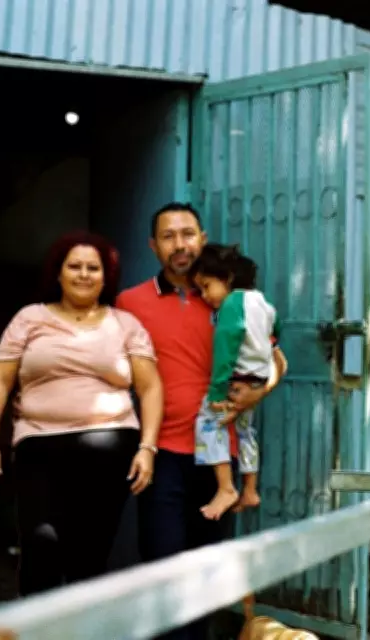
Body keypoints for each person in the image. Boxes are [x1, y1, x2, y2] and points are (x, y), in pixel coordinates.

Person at [116, 203, 287, 640]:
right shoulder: (130, 303)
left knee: (208, 577)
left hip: (219, 458)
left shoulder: (231, 298)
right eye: (169, 236)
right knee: (162, 571)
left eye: (188, 234)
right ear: (153, 246)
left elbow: (276, 361)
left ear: (203, 238)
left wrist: (257, 392)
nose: (180, 245)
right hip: (162, 453)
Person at [0, 231, 163, 596]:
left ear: (105, 277)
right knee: (40, 543)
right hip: (38, 446)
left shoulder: (125, 325)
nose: (83, 274)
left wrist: (148, 448)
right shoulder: (30, 319)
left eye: (93, 268)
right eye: (74, 266)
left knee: (89, 554)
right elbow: (0, 379)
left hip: (109, 447)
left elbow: (150, 387)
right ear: (58, 273)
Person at [187, 243, 282, 520]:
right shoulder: (263, 302)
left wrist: (217, 389)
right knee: (244, 431)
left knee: (207, 422)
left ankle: (226, 487)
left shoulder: (232, 304)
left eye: (206, 286)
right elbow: (276, 331)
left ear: (226, 278)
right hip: (256, 379)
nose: (205, 296)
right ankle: (250, 489)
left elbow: (226, 349)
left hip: (236, 378)